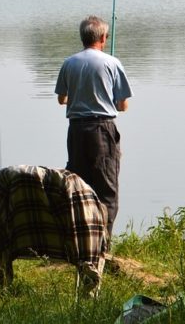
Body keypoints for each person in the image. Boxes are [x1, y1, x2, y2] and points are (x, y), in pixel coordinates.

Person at [54, 15, 132, 241]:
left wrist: (80, 98)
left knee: (78, 184)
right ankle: (103, 244)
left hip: (76, 131)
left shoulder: (69, 63)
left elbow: (61, 99)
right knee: (106, 188)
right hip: (102, 129)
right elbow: (123, 105)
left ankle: (78, 239)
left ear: (82, 37)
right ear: (103, 38)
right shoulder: (112, 63)